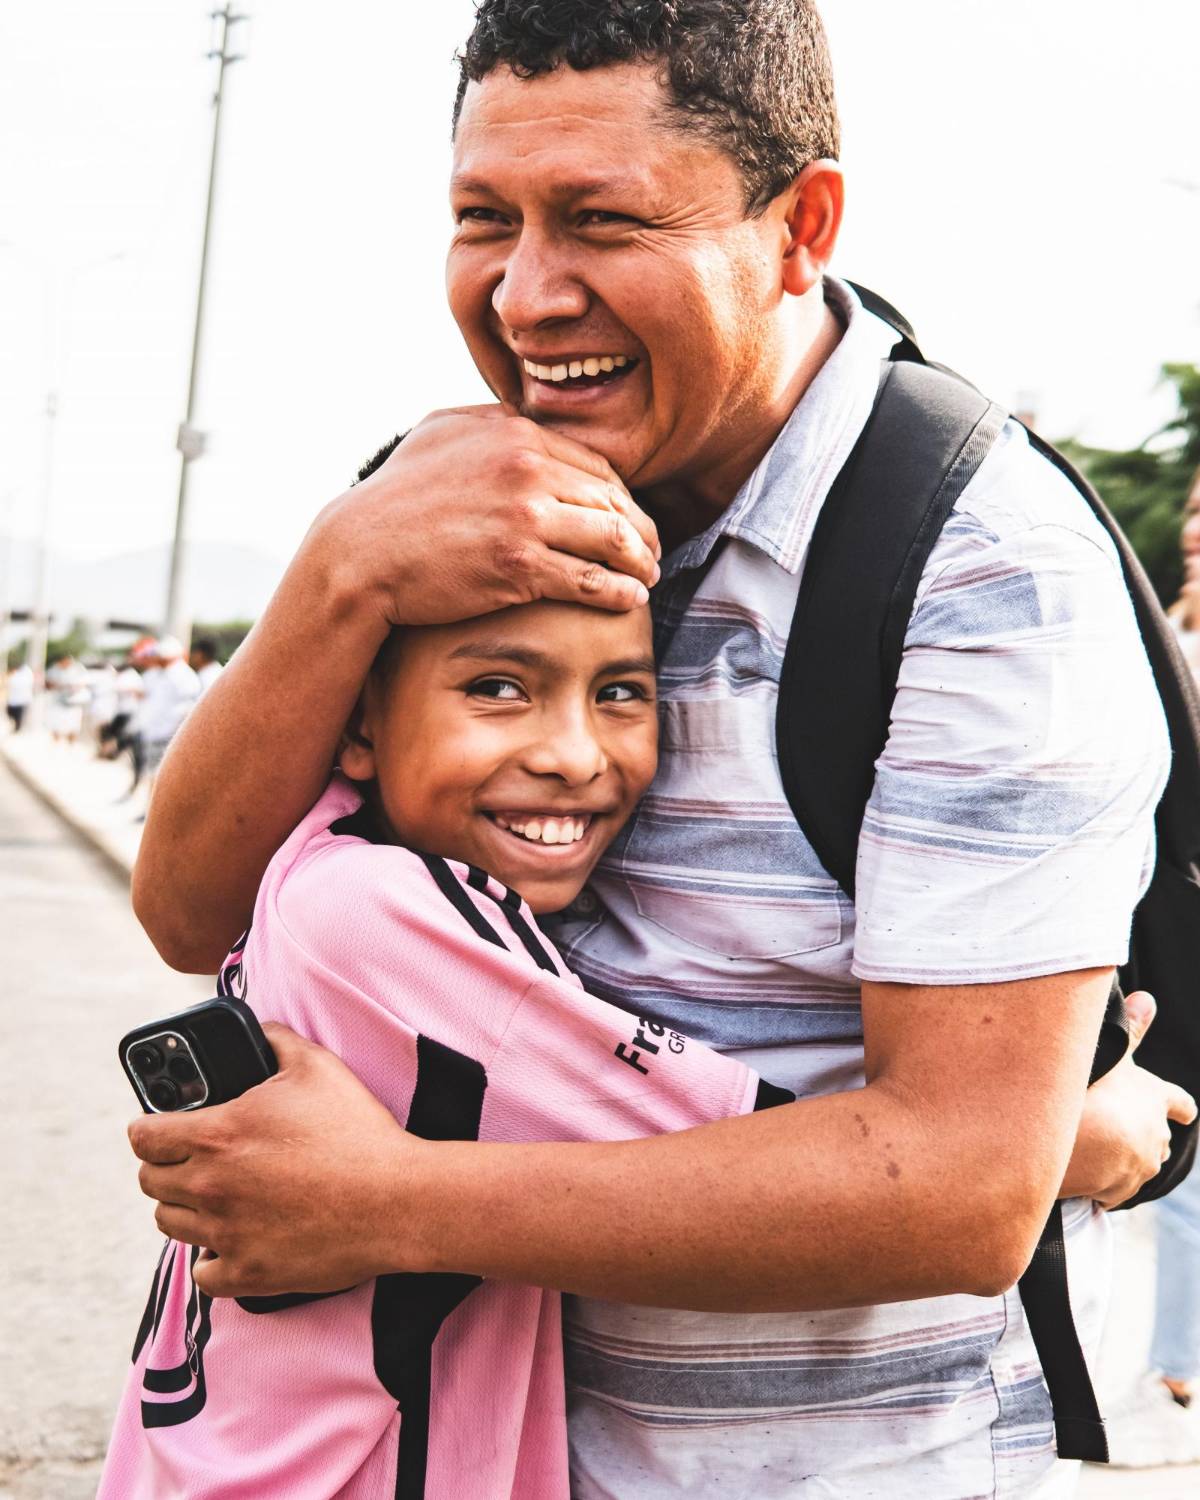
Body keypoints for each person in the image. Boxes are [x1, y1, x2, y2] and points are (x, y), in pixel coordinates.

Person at [128, 5, 1195, 1495]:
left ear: (801, 225)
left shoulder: (977, 572)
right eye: (483, 219)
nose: (525, 295)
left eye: (602, 221)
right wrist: (341, 573)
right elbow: (193, 908)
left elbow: (955, 1192)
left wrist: (393, 1203)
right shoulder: (441, 507)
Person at [100, 513, 786, 1497]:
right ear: (359, 726)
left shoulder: (307, 862)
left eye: (620, 692)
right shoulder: (402, 917)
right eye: (497, 688)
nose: (572, 754)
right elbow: (759, 1173)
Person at [1105, 468, 1200, 1469]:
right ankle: (1173, 1368)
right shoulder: (1168, 628)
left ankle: (1175, 1372)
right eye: (1197, 515)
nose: (1198, 532)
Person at [136, 635, 199, 796]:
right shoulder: (160, 674)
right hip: (156, 731)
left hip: (169, 733)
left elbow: (188, 706)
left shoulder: (183, 675)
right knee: (153, 773)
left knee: (160, 775)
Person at [4, 660, 33, 732]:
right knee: (11, 714)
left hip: (21, 701)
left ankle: (17, 728)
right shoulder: (15, 676)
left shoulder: (26, 676)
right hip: (13, 700)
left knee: (18, 717)